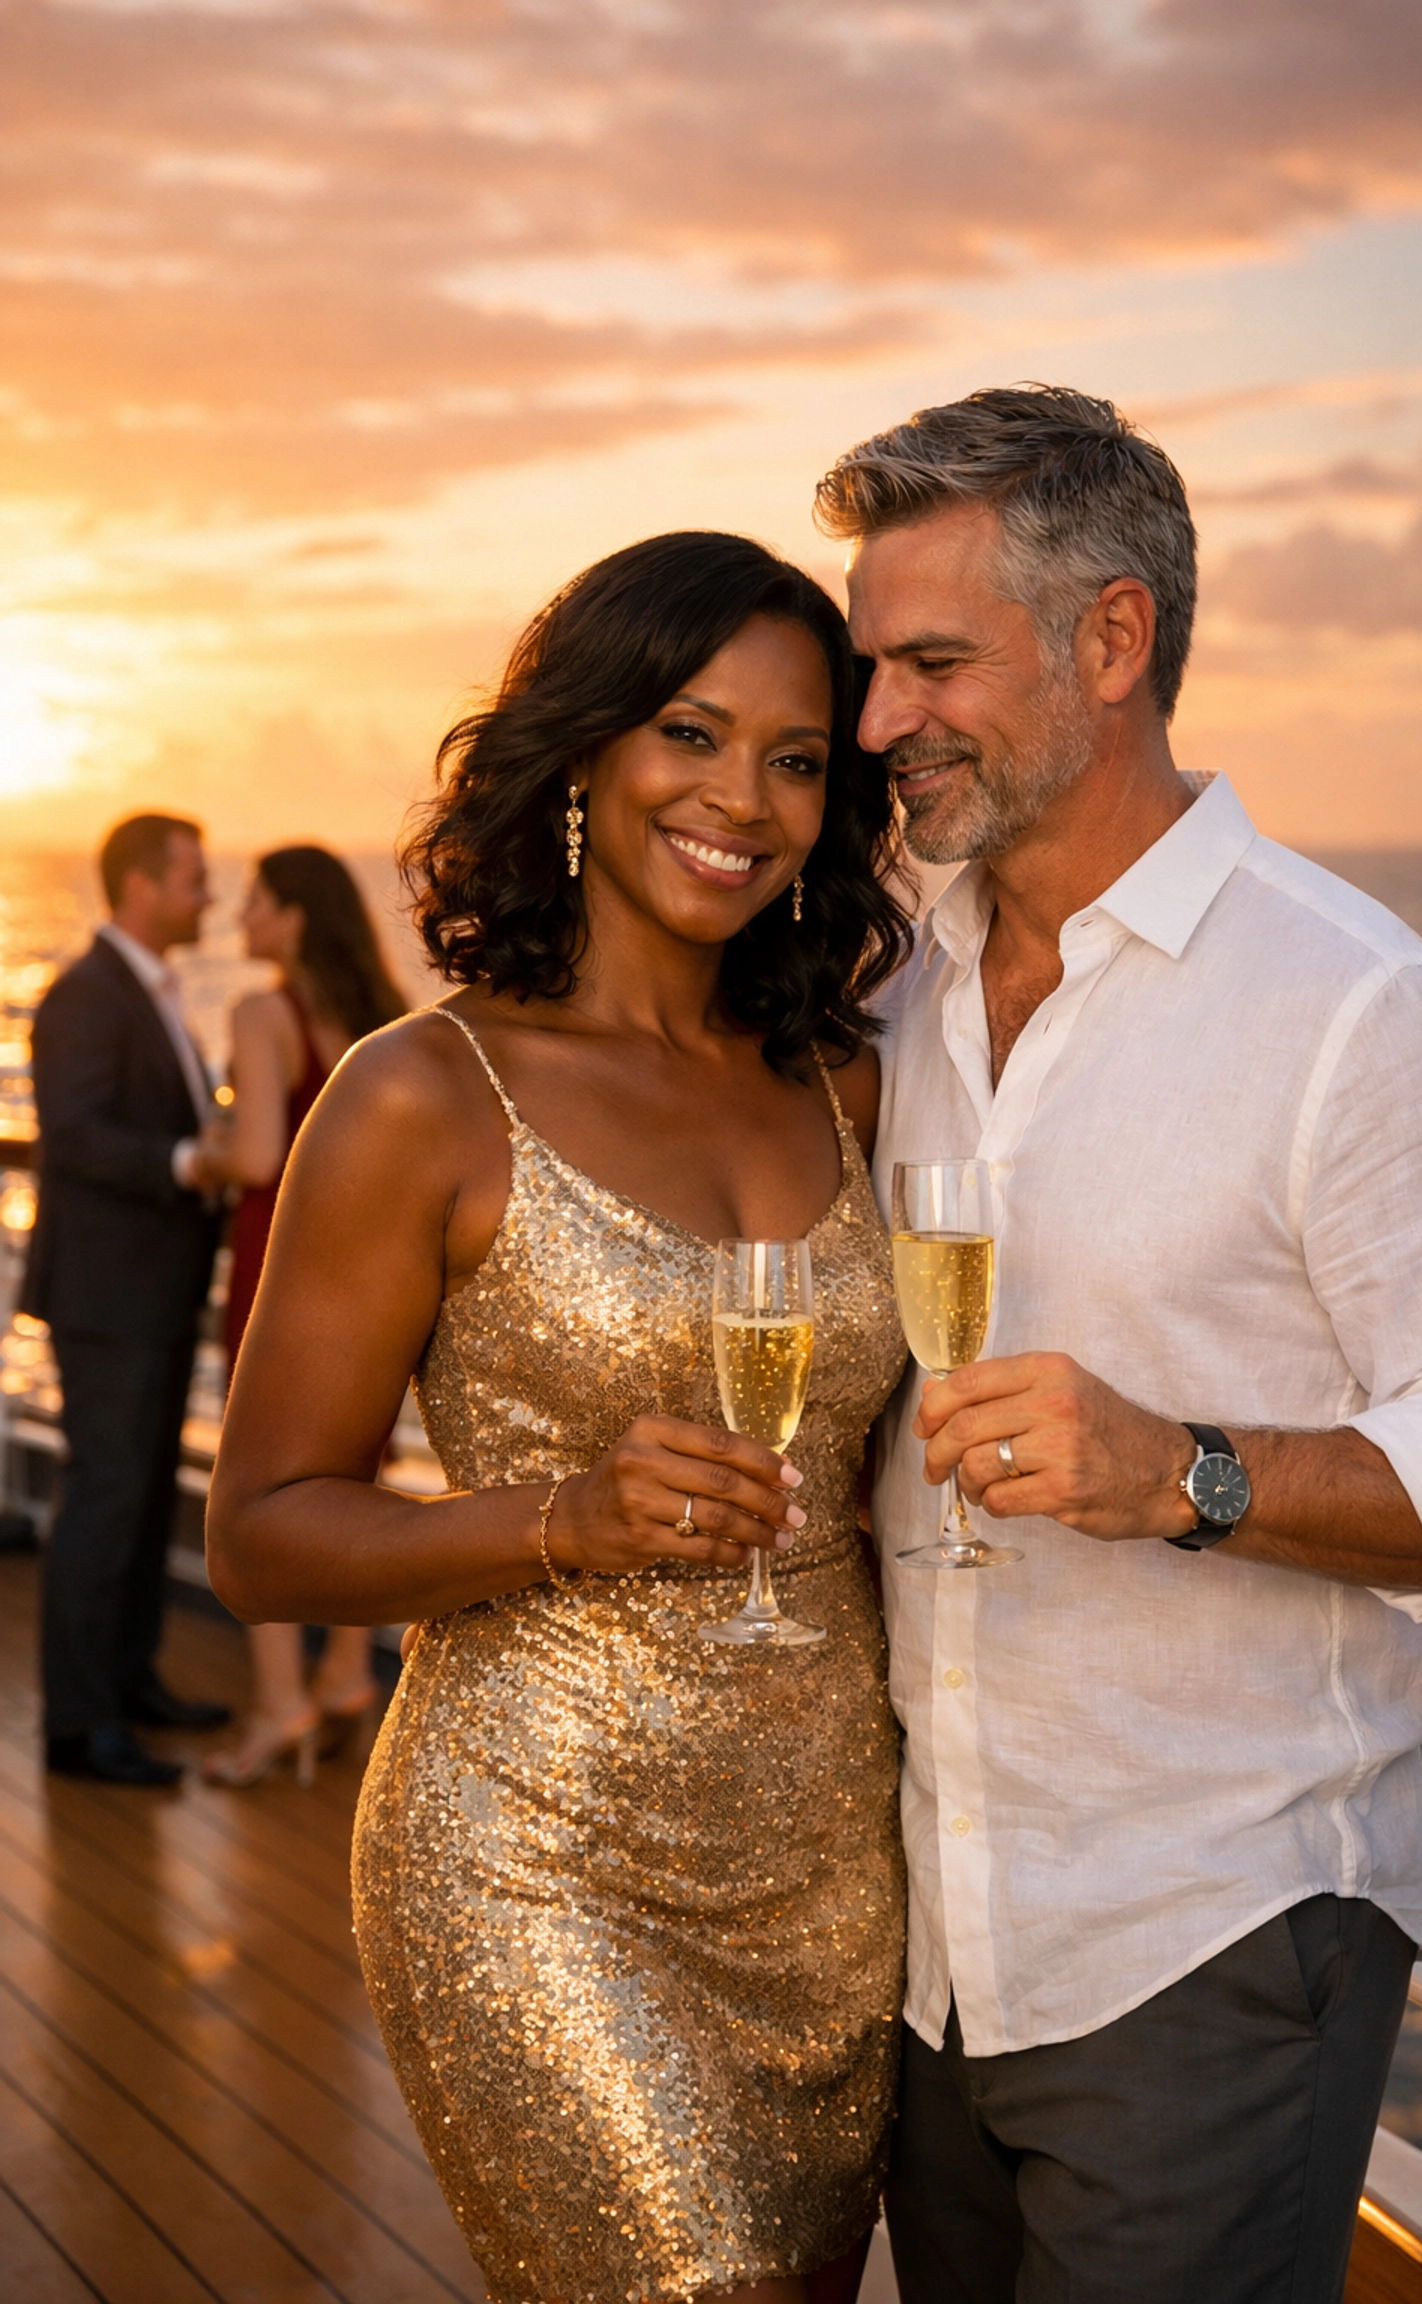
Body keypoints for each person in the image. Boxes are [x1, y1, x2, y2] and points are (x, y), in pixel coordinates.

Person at [813, 386, 1422, 2304]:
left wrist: (1187, 1472)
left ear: (1111, 639)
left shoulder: (1362, 1008)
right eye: (873, 664)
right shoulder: (890, 977)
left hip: (1206, 1936)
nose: (878, 718)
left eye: (934, 660)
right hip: (934, 1941)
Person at [205, 532, 914, 2304]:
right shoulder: (421, 1093)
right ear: (589, 751)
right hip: (537, 1851)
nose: (740, 797)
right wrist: (559, 1516)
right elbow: (264, 1529)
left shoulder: (852, 1076)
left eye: (798, 755)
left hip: (839, 1853)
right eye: (691, 730)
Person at [25, 813, 231, 1786]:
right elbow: (71, 1138)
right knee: (105, 1501)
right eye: (195, 880)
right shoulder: (85, 995)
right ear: (143, 887)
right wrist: (191, 1160)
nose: (208, 899)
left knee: (143, 1496)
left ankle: (130, 1679)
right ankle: (79, 1723)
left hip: (148, 1291)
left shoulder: (148, 991)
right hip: (106, 1296)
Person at [196, 846, 407, 1788]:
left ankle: (282, 1706)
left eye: (257, 903)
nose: (242, 920)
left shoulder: (261, 1012)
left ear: (293, 918)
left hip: (282, 1267)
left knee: (268, 1488)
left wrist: (201, 1153)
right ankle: (348, 1675)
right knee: (353, 1474)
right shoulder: (377, 1018)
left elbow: (256, 1158)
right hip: (374, 1277)